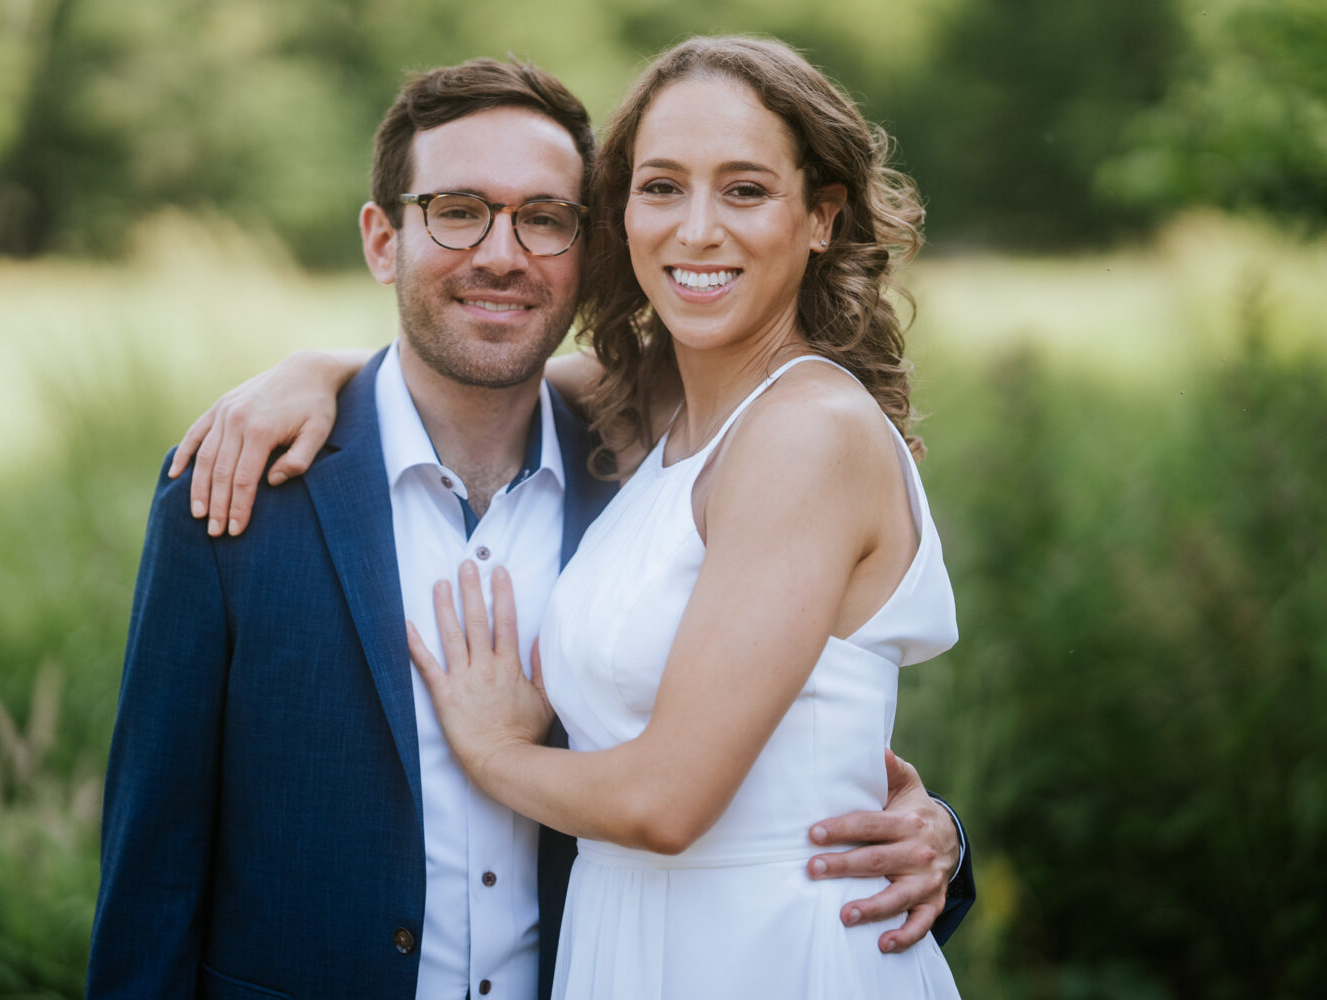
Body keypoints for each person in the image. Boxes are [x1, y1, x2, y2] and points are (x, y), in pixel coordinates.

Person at [96, 53, 970, 1000]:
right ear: (384, 240)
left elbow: (780, 769)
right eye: (457, 211)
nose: (502, 254)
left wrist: (942, 840)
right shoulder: (241, 489)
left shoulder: (673, 457)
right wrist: (329, 367)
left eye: (543, 218)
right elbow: (155, 862)